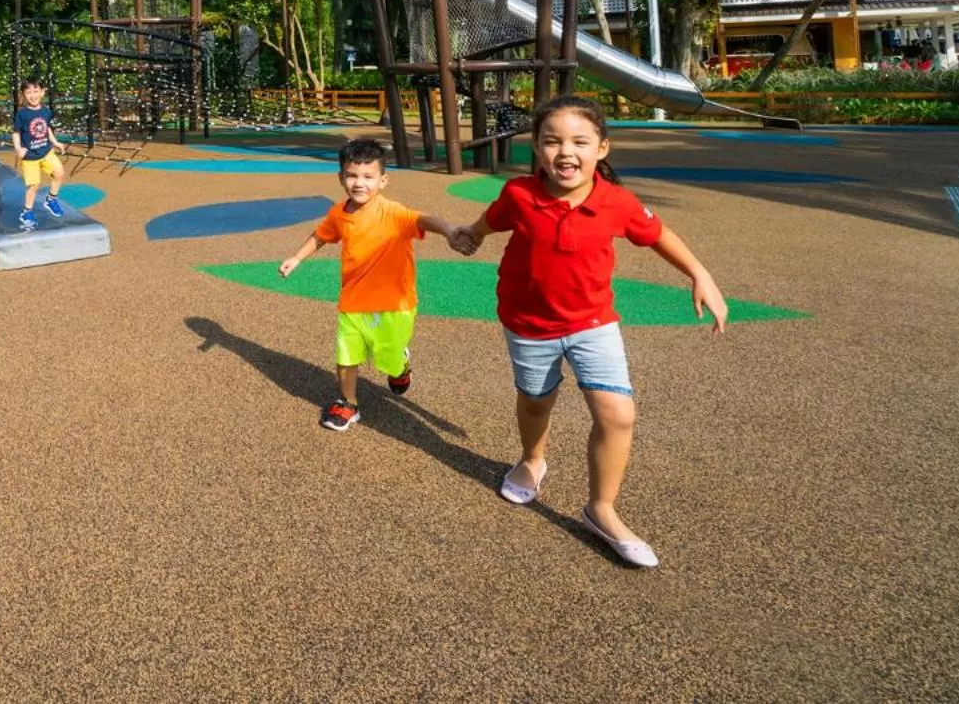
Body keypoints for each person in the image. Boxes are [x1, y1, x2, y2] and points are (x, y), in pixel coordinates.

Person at [452, 95, 727, 570]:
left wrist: (700, 274)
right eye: (551, 141)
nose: (565, 152)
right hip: (528, 323)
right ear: (536, 149)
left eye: (579, 141)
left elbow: (659, 235)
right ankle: (533, 460)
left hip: (593, 323)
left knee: (618, 414)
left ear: (602, 148)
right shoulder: (519, 195)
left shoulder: (617, 202)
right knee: (536, 402)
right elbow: (490, 222)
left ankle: (602, 508)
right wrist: (470, 235)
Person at [279, 139, 474, 431]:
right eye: (352, 176)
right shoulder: (338, 213)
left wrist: (449, 231)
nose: (359, 183)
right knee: (346, 355)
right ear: (341, 177)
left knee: (390, 360)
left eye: (368, 177)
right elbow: (320, 235)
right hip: (353, 301)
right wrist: (296, 257)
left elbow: (423, 219)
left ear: (383, 180)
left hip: (394, 305)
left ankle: (401, 367)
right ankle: (348, 403)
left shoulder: (392, 212)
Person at [13, 78, 67, 232]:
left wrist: (55, 142)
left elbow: (47, 127)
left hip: (46, 151)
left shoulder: (46, 111)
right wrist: (18, 148)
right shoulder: (22, 114)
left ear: (42, 92)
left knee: (59, 173)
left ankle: (51, 199)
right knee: (34, 186)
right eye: (28, 92)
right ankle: (27, 211)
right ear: (23, 95)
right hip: (30, 156)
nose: (33, 95)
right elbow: (16, 132)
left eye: (36, 91)